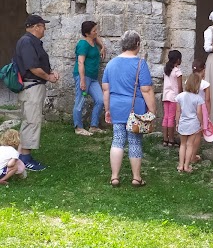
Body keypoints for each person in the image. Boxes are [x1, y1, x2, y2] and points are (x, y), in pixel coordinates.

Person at [102, 30, 156, 188]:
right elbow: (146, 90)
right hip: (135, 108)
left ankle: (114, 177)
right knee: (135, 141)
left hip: (116, 106)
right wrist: (152, 110)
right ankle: (136, 177)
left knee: (117, 140)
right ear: (137, 44)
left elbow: (106, 89)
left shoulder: (111, 64)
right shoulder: (140, 63)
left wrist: (107, 109)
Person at [14, 14, 59, 171]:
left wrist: (51, 71)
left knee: (30, 119)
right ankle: (25, 158)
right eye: (43, 26)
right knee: (31, 121)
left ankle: (21, 153)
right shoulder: (27, 42)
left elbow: (40, 62)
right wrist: (49, 77)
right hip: (31, 87)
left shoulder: (32, 42)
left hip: (34, 86)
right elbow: (33, 67)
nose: (44, 30)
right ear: (36, 27)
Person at [72, 21, 107, 136]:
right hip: (84, 76)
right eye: (94, 31)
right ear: (87, 34)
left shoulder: (93, 40)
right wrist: (82, 80)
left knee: (100, 100)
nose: (96, 32)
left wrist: (102, 47)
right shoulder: (83, 44)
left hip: (93, 78)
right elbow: (81, 63)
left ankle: (93, 126)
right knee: (80, 100)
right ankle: (78, 127)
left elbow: (98, 39)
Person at [175, 73, 205, 173]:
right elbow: (199, 113)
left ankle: (180, 165)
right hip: (193, 123)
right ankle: (187, 166)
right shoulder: (198, 98)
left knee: (182, 145)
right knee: (190, 145)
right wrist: (201, 123)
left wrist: (177, 122)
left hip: (183, 122)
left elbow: (178, 111)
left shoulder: (180, 96)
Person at [190, 59, 211, 163]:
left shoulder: (188, 82)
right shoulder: (205, 84)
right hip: (201, 109)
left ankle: (187, 155)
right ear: (203, 70)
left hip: (190, 108)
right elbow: (207, 100)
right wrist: (208, 112)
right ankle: (193, 156)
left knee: (190, 133)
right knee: (198, 133)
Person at [162, 50, 183, 147]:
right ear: (178, 60)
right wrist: (182, 96)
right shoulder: (177, 71)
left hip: (166, 96)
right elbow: (180, 86)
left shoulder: (166, 70)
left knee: (166, 117)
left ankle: (165, 139)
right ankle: (171, 139)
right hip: (174, 97)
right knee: (171, 118)